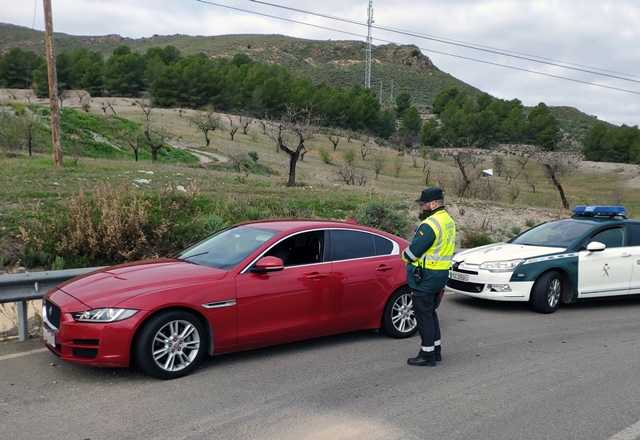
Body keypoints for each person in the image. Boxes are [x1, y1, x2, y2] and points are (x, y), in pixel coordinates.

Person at [402, 187, 456, 367]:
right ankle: (436, 350)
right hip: (440, 274)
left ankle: (427, 355)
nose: (421, 208)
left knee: (423, 316)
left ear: (433, 204)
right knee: (431, 313)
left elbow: (412, 253)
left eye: (423, 204)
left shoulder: (430, 224)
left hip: (425, 278)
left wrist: (404, 256)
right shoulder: (448, 220)